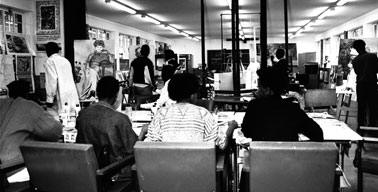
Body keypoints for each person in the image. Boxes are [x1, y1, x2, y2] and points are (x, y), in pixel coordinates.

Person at [141, 73, 237, 149]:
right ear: (192, 95)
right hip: (199, 170)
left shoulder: (161, 114)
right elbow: (222, 145)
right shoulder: (203, 114)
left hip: (166, 170)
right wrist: (231, 128)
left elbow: (150, 144)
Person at [76, 76, 137, 179]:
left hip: (87, 172)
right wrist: (143, 133)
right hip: (114, 173)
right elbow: (134, 149)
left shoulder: (83, 115)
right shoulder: (120, 119)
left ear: (97, 93)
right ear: (116, 95)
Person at [241, 67, 324, 141]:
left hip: (260, 157)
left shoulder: (254, 106)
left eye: (259, 87)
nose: (257, 91)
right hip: (289, 157)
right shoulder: (293, 109)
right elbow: (318, 134)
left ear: (268, 90)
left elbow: (246, 132)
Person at [0, 80, 62, 164]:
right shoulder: (28, 106)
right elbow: (55, 131)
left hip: (4, 164)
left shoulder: (3, 104)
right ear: (28, 93)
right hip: (15, 165)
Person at [44, 42, 80, 115]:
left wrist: (49, 99)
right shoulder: (65, 60)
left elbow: (52, 80)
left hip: (61, 93)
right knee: (73, 115)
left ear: (48, 51)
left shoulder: (50, 61)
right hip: (72, 92)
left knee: (62, 117)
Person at [351, 39, 378, 127]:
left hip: (360, 85)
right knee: (372, 106)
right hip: (371, 84)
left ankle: (361, 125)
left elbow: (357, 72)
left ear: (355, 48)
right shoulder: (372, 56)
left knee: (361, 106)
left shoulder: (355, 60)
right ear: (364, 45)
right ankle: (373, 125)